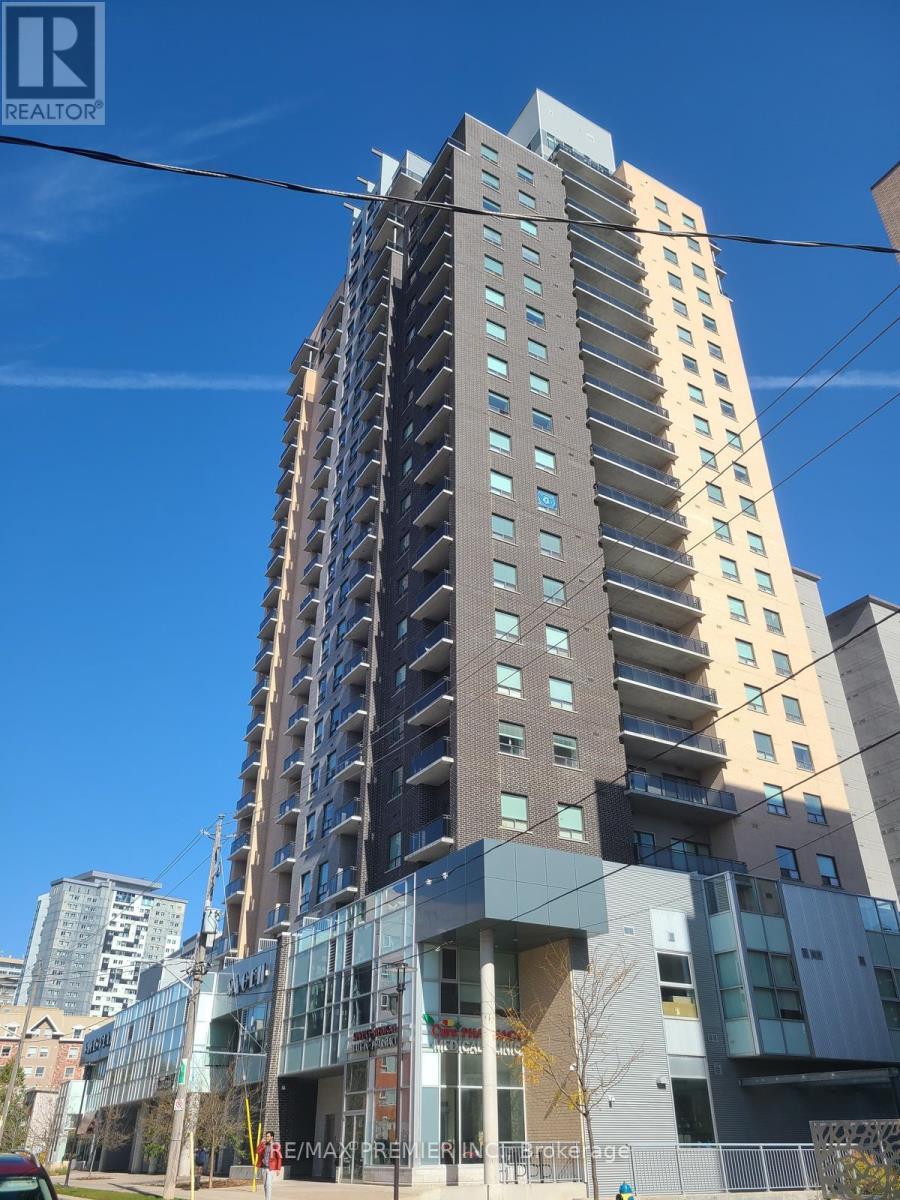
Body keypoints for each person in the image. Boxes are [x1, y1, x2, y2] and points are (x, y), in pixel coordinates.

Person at [256, 1130, 283, 1200]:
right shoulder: (263, 1144)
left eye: (268, 1136)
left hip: (271, 1168)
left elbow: (279, 1158)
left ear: (272, 1137)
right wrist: (261, 1143)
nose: (266, 1138)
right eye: (266, 1136)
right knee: (265, 1185)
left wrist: (278, 1169)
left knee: (268, 1184)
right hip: (263, 1167)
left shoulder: (276, 1145)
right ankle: (266, 1198)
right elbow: (257, 1151)